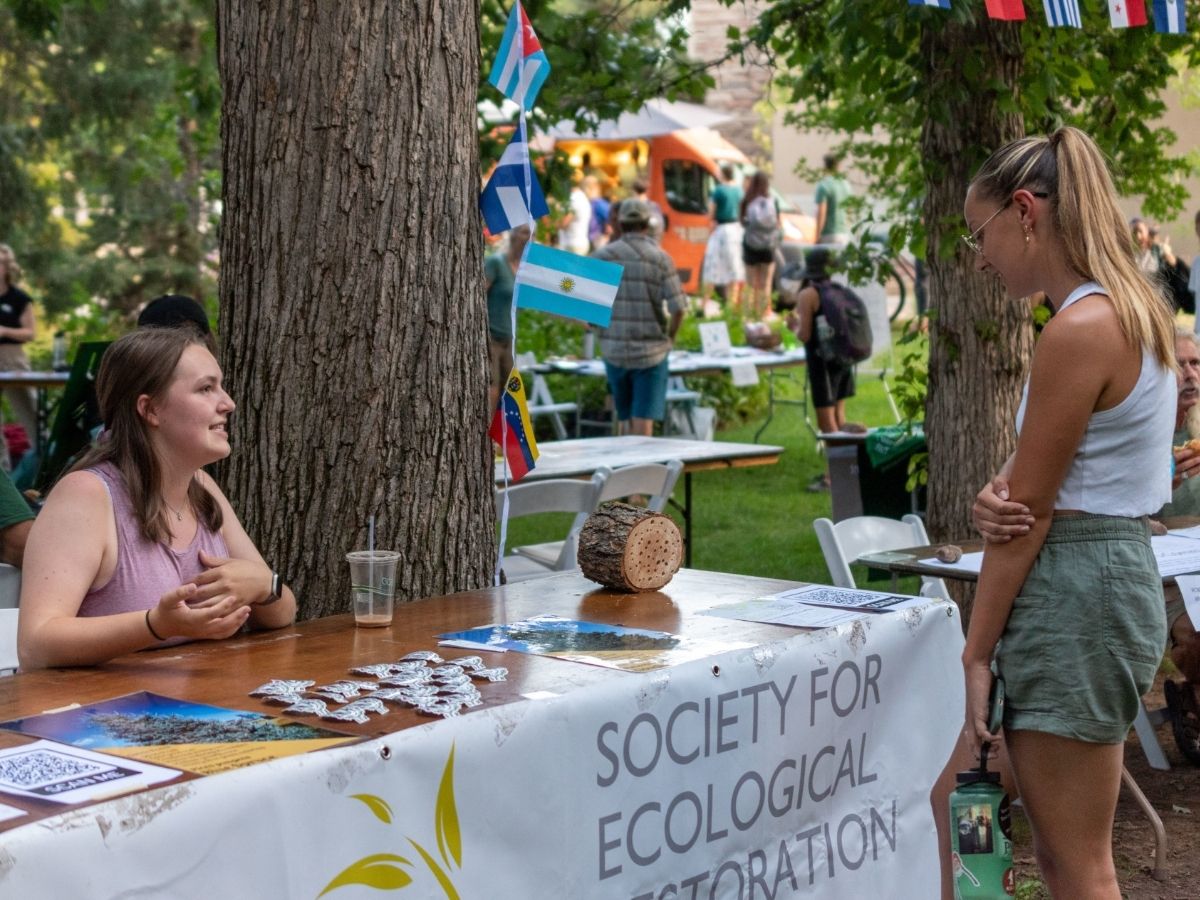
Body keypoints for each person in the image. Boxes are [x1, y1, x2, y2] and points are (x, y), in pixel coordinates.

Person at [959, 127, 1175, 897]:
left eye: (978, 233)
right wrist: (1002, 490)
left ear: (1024, 212)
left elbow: (1035, 513)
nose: (977, 257)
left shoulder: (1080, 329)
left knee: (1077, 864)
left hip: (1076, 589)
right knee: (965, 814)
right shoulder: (1131, 310)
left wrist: (975, 653)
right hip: (1089, 579)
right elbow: (1057, 475)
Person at [17, 327, 297, 670]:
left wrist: (264, 586)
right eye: (206, 389)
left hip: (204, 711)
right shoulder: (86, 495)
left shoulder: (202, 487)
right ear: (150, 410)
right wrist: (155, 625)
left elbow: (284, 613)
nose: (228, 403)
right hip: (101, 717)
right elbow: (36, 644)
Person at [593, 199, 685, 437]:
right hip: (650, 353)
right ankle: (642, 473)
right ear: (647, 225)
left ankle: (623, 473)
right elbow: (678, 308)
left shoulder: (602, 257)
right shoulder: (660, 258)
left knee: (623, 419)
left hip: (614, 350)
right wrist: (670, 338)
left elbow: (587, 305)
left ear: (620, 224)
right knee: (643, 421)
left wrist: (599, 331)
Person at [785, 247, 858, 492]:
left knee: (828, 425)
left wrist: (792, 326)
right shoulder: (838, 291)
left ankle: (832, 477)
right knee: (839, 419)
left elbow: (805, 334)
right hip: (842, 362)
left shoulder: (808, 294)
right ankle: (846, 470)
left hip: (821, 364)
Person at [483, 224, 530, 412]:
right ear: (513, 235)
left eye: (531, 233)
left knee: (509, 390)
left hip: (509, 338)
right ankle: (486, 438)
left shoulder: (524, 271)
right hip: (491, 337)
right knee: (491, 389)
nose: (528, 237)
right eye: (524, 232)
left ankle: (502, 439)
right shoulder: (496, 263)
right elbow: (478, 295)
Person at [0, 245, 40, 457]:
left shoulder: (18, 298)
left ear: (7, 268)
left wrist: (5, 330)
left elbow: (30, 333)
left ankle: (46, 463)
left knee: (31, 411)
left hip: (12, 358)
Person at [701, 165, 744, 310]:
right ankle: (731, 305)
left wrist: (709, 227)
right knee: (733, 267)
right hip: (737, 230)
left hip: (721, 230)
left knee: (712, 266)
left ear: (723, 174)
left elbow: (711, 212)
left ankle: (703, 305)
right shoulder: (739, 191)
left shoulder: (718, 191)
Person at [740, 171, 781, 321]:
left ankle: (747, 315)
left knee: (750, 283)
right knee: (766, 283)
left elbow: (742, 223)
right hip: (768, 247)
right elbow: (778, 224)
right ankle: (764, 314)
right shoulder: (773, 201)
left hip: (750, 245)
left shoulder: (747, 200)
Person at [814, 153, 852, 245]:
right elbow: (849, 211)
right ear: (838, 166)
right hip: (844, 233)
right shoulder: (846, 185)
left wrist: (817, 236)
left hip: (829, 234)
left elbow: (821, 212)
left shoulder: (823, 185)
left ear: (825, 166)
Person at [558, 177, 592, 255]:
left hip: (572, 245)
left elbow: (564, 223)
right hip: (579, 243)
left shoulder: (573, 199)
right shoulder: (582, 197)